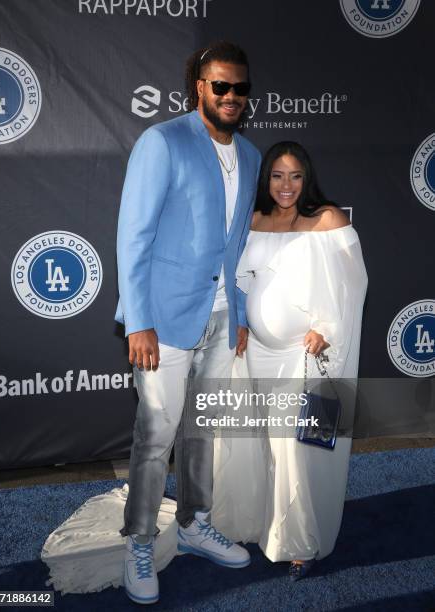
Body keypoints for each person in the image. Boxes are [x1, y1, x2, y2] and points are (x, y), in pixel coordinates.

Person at [113, 41, 261, 604]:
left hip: (223, 317)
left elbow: (239, 244)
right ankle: (140, 539)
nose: (230, 96)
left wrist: (241, 312)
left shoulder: (249, 155)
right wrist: (139, 320)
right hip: (165, 320)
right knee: (155, 437)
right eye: (219, 85)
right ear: (198, 85)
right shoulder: (163, 141)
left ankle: (196, 522)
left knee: (202, 430)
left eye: (239, 88)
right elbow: (135, 236)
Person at [211, 141, 367, 581]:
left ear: (307, 178)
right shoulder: (256, 221)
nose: (286, 185)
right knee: (263, 445)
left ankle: (300, 543)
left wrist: (328, 330)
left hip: (304, 357)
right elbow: (241, 281)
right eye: (278, 176)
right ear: (267, 180)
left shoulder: (329, 221)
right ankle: (262, 523)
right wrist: (240, 323)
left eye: (295, 176)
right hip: (257, 354)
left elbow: (353, 287)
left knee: (298, 451)